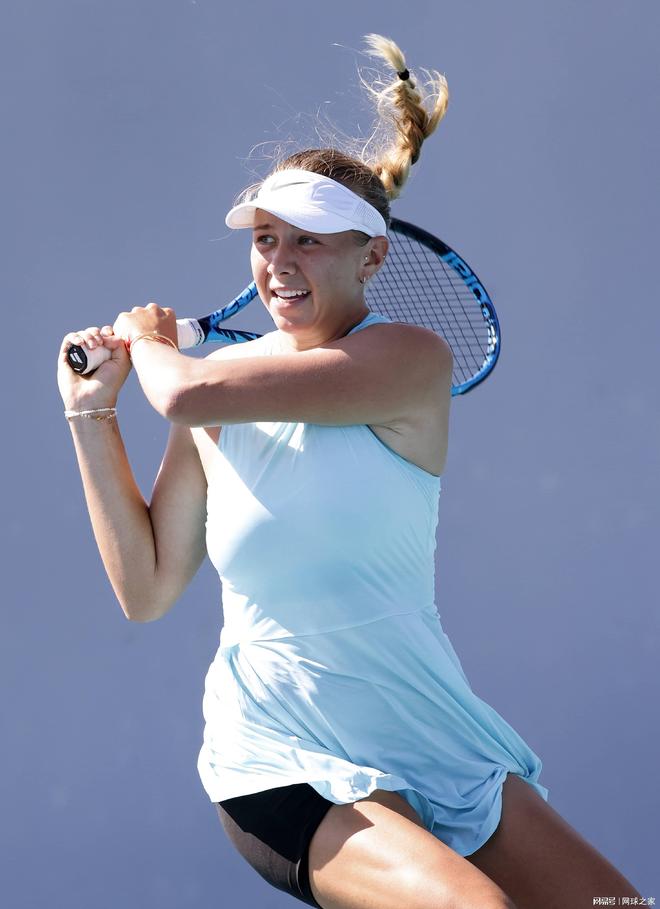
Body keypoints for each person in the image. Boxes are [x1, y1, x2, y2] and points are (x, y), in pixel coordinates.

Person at [57, 34, 642, 909]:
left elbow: (178, 393)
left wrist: (146, 341)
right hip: (279, 753)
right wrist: (91, 413)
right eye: (266, 239)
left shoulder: (408, 358)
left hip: (435, 736)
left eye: (310, 241)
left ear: (372, 256)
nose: (279, 263)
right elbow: (145, 589)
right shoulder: (218, 394)